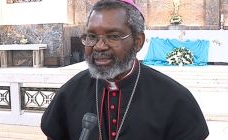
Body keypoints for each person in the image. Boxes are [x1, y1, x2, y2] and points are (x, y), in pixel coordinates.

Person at [41, 0, 209, 140]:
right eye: (92, 36)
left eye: (113, 36)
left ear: (138, 42)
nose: (99, 46)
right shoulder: (71, 91)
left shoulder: (175, 98)